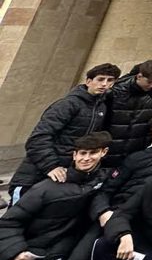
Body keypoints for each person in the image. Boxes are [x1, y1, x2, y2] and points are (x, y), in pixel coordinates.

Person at [0, 132, 110, 260]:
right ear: (74, 155)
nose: (86, 158)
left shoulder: (101, 180)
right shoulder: (46, 187)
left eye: (92, 153)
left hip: (53, 249)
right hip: (24, 243)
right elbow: (9, 221)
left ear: (103, 153)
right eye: (82, 153)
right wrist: (15, 250)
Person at [11, 63, 120, 201]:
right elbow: (38, 138)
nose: (104, 84)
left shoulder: (101, 107)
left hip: (65, 175)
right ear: (88, 81)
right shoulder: (67, 104)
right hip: (36, 175)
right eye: (100, 79)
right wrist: (51, 166)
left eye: (110, 80)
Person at [103, 60, 152, 169]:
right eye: (149, 82)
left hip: (137, 148)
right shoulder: (116, 91)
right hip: (109, 146)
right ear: (139, 76)